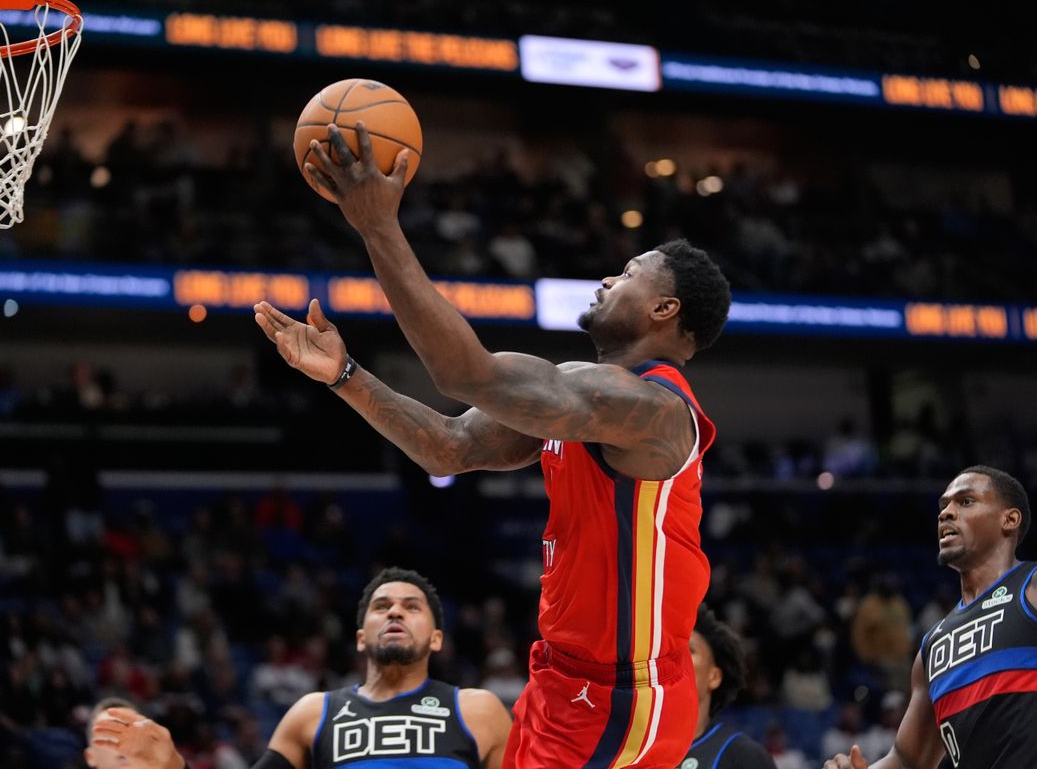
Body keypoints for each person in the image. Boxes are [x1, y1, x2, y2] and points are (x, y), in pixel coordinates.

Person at [253, 123, 731, 768]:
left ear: (664, 309)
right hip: (564, 676)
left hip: (620, 696)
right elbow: (449, 447)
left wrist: (378, 227)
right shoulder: (584, 398)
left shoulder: (653, 410)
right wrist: (345, 376)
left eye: (626, 274)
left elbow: (465, 373)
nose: (606, 279)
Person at [823, 465, 1037, 769]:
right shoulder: (933, 646)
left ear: (1009, 520)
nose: (946, 513)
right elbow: (906, 759)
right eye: (943, 506)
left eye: (966, 501)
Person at [91, 566, 511, 768]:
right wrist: (172, 764)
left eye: (412, 607)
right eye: (381, 606)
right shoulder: (314, 713)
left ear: (436, 638)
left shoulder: (478, 710)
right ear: (360, 636)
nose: (395, 612)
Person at [682, 604, 775, 768]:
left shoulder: (743, 756)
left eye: (690, 650)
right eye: (671, 651)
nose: (675, 659)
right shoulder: (636, 751)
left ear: (714, 677)